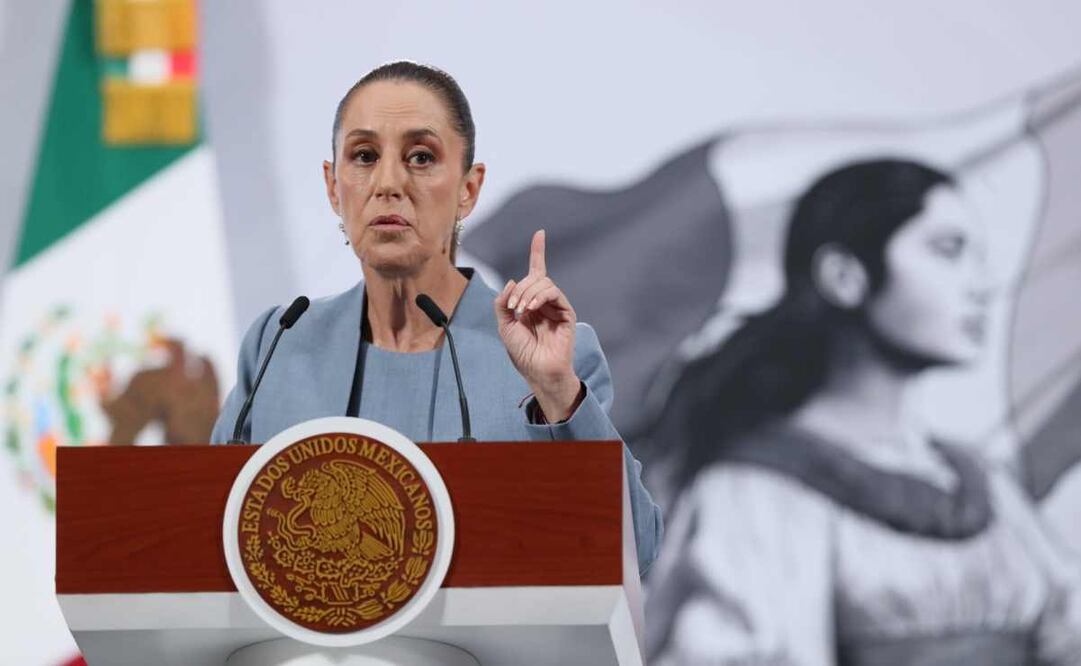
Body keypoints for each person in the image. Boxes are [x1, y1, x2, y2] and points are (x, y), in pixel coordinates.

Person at [210, 61, 662, 574]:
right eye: (363, 156)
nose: (388, 183)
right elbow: (205, 534)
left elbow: (637, 553)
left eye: (421, 157)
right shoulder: (279, 345)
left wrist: (557, 392)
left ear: (469, 189)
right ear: (334, 186)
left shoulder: (551, 358)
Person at [645, 159, 1081, 664]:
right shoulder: (757, 494)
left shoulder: (982, 485)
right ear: (845, 276)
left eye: (977, 257)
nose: (980, 286)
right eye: (948, 251)